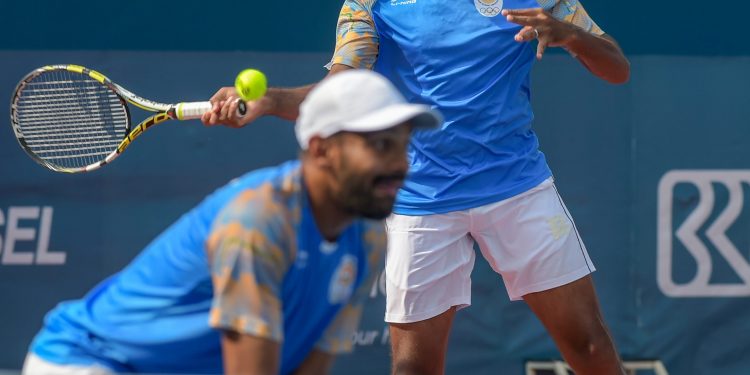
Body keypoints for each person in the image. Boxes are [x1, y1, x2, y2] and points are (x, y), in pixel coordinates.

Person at [203, 1, 631, 374]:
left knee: (590, 349)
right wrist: (272, 101)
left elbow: (616, 67)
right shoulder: (371, 3)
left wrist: (570, 35)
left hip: (518, 189)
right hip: (421, 200)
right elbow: (338, 93)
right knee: (415, 368)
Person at [22, 70, 441, 375]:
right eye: (381, 145)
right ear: (322, 149)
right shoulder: (258, 222)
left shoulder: (366, 237)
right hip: (90, 362)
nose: (399, 165)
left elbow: (307, 366)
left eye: (403, 146)